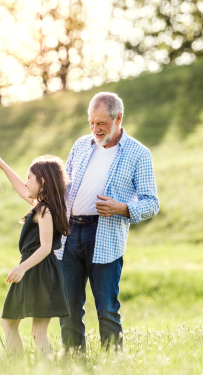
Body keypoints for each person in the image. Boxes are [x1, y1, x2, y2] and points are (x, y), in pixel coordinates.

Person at [56, 92, 160, 352]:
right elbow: (64, 186)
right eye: (91, 123)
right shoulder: (81, 145)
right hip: (70, 234)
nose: (95, 129)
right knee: (68, 309)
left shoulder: (139, 153)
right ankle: (73, 364)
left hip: (105, 237)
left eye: (101, 123)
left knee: (107, 309)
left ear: (119, 118)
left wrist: (122, 208)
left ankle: (113, 367)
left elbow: (152, 203)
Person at [0, 152, 70, 357]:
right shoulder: (44, 207)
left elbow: (46, 247)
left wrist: (22, 267)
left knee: (11, 323)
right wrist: (3, 165)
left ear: (42, 181)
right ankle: (44, 372)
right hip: (42, 270)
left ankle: (20, 369)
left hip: (36, 270)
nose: (26, 183)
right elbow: (23, 189)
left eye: (29, 178)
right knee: (36, 331)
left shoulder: (44, 211)